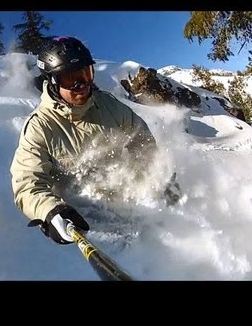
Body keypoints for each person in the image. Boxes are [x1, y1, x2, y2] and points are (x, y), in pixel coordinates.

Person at [10, 36, 172, 245]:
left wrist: (157, 178)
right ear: (52, 81)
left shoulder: (108, 106)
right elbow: (27, 183)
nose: (82, 85)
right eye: (72, 79)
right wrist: (51, 212)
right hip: (82, 219)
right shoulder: (40, 126)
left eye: (86, 74)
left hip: (127, 204)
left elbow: (142, 141)